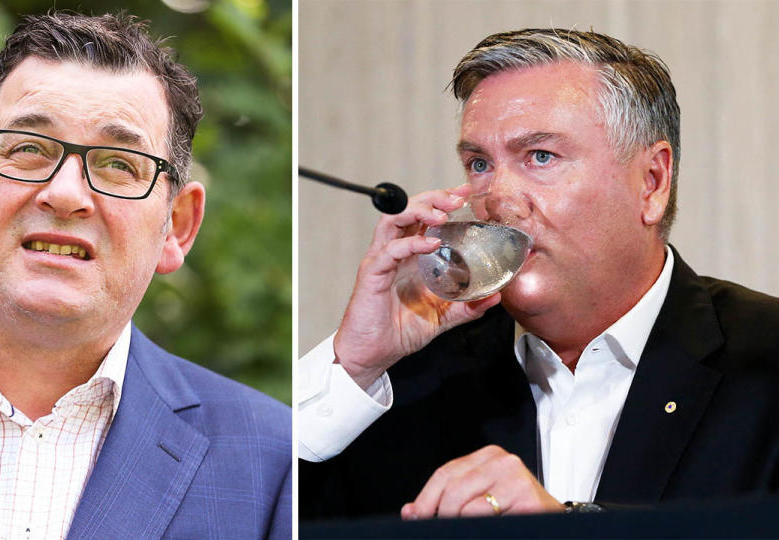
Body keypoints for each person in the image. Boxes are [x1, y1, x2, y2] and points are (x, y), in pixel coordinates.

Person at [0, 12, 290, 539]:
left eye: (119, 164)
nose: (66, 194)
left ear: (176, 227)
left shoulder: (270, 461)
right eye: (27, 150)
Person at [298, 28, 779, 520]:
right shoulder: (403, 378)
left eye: (540, 156)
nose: (497, 199)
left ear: (651, 183)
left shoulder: (763, 359)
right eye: (480, 164)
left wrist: (561, 529)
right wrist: (355, 362)